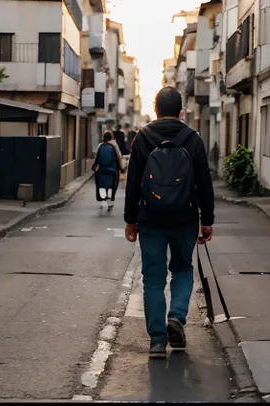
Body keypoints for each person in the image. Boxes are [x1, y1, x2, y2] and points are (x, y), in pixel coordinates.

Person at [123, 87, 215, 358]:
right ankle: (176, 316)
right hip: (185, 218)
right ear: (181, 112)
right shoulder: (193, 139)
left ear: (156, 109)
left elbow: (133, 183)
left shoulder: (143, 138)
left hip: (150, 218)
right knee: (183, 269)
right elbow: (204, 183)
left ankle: (157, 341)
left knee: (153, 276)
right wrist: (206, 220)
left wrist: (131, 220)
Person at [92, 131, 125, 209]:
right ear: (111, 137)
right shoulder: (114, 145)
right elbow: (119, 157)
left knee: (102, 185)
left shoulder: (100, 145)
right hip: (113, 169)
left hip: (102, 169)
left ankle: (103, 200)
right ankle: (110, 202)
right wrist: (122, 168)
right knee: (112, 186)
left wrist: (95, 167)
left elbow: (96, 156)